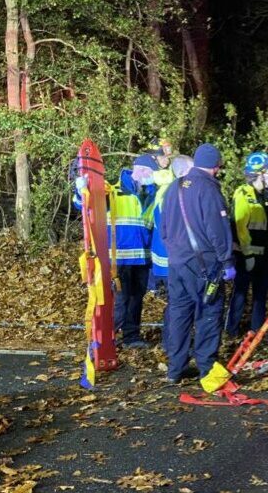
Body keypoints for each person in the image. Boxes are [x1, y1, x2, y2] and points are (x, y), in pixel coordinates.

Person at [161, 143, 236, 384]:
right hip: (204, 265)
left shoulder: (174, 188)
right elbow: (218, 230)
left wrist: (175, 252)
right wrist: (227, 261)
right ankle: (207, 368)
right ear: (216, 166)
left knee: (179, 313)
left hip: (177, 264)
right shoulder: (208, 190)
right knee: (208, 313)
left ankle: (175, 368)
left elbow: (164, 229)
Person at [106, 154, 157, 349]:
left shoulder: (150, 194)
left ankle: (131, 336)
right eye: (151, 173)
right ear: (141, 169)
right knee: (120, 301)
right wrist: (81, 189)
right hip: (119, 259)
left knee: (137, 298)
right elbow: (84, 205)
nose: (153, 177)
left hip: (142, 258)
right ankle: (107, 338)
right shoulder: (113, 192)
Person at [225, 152, 268, 338]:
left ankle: (257, 332)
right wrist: (247, 255)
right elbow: (240, 226)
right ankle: (231, 331)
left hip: (264, 255)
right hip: (245, 255)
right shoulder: (243, 194)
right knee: (240, 293)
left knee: (260, 295)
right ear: (259, 173)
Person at [150, 155, 193, 353]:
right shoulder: (175, 193)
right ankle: (172, 344)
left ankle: (172, 343)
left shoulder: (166, 192)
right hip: (173, 258)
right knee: (177, 304)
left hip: (167, 256)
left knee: (175, 304)